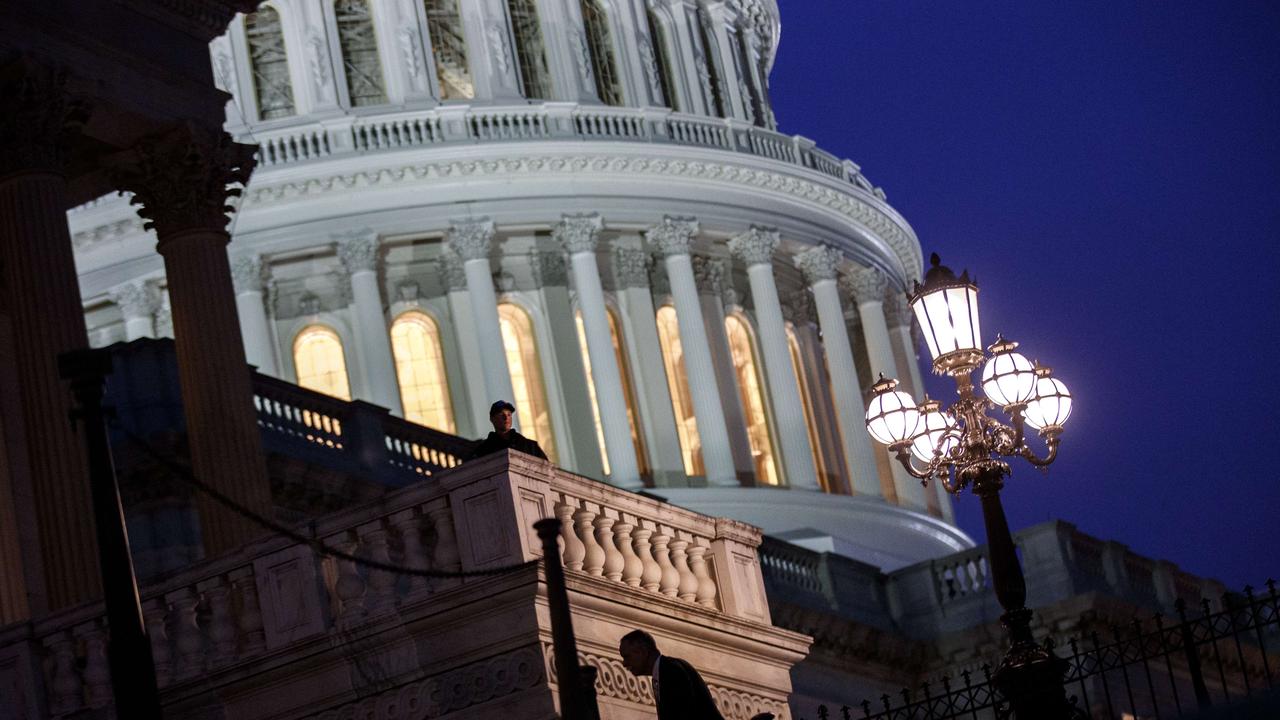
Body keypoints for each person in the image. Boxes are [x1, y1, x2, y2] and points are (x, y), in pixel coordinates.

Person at [619, 629, 724, 720]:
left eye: (627, 657)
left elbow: (684, 714)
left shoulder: (671, 670)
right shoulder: (663, 673)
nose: (624, 663)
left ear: (643, 651)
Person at [465, 400, 548, 461]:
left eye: (509, 414)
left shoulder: (529, 446)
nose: (506, 418)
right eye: (501, 414)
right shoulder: (483, 450)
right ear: (492, 419)